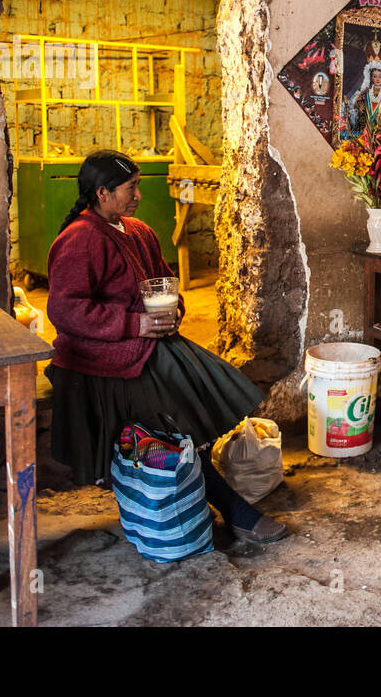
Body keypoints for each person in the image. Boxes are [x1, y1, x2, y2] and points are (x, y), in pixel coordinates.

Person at [45, 150, 287, 544]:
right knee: (175, 429)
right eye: (131, 188)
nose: (138, 195)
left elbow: (165, 279)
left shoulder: (138, 231)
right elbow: (65, 310)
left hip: (148, 343)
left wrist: (175, 309)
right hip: (101, 359)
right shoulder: (80, 239)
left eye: (138, 185)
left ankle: (195, 493)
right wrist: (133, 323)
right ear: (102, 193)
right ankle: (234, 510)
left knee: (199, 407)